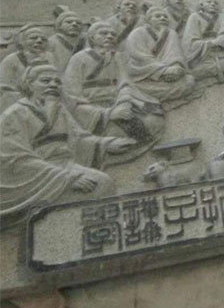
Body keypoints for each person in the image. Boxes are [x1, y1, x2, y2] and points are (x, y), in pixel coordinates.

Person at [0, 65, 135, 221]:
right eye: (45, 81)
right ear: (30, 84)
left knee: (106, 182)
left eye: (57, 82)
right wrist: (66, 178)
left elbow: (78, 138)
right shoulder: (15, 113)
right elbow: (15, 158)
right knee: (100, 185)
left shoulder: (59, 109)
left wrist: (105, 144)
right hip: (38, 173)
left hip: (65, 165)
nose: (53, 85)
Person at [63, 21, 164, 142]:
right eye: (104, 33)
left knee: (154, 122)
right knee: (117, 133)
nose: (109, 36)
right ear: (92, 38)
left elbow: (125, 83)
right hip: (93, 108)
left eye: (113, 34)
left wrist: (124, 103)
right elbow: (71, 95)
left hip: (119, 101)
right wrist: (107, 114)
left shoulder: (118, 57)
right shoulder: (79, 59)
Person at [124, 7, 197, 102]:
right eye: (158, 16)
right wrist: (163, 70)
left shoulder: (171, 33)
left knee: (189, 81)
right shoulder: (137, 33)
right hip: (143, 71)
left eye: (165, 17)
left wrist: (176, 66)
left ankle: (150, 96)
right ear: (148, 20)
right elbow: (138, 55)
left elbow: (175, 54)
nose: (162, 18)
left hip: (168, 72)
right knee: (130, 87)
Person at [0, 25, 54, 111]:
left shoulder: (50, 58)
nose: (39, 41)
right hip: (17, 103)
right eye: (33, 38)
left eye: (43, 39)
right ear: (23, 42)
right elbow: (4, 87)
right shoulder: (11, 60)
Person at [48, 6, 86, 73]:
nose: (74, 24)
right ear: (60, 25)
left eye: (78, 23)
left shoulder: (86, 40)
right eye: (69, 22)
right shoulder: (51, 42)